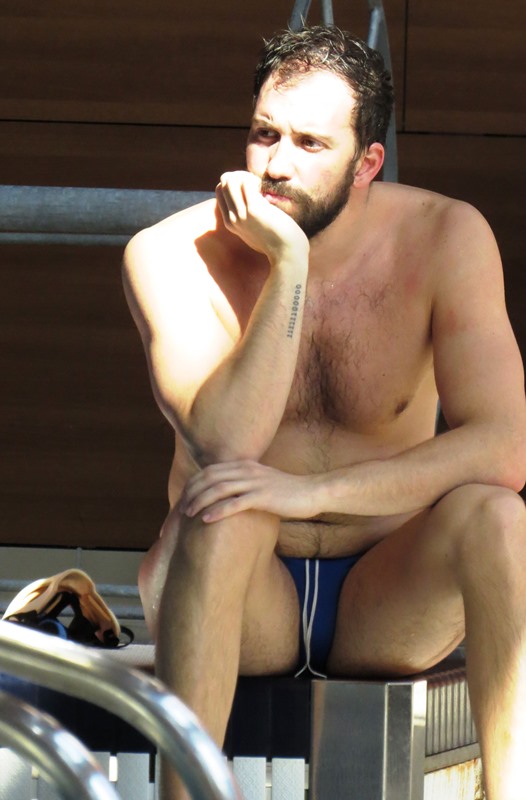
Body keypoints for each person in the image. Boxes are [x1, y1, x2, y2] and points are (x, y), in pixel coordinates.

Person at [122, 25, 526, 800]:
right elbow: (228, 443)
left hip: (387, 590)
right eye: (264, 134)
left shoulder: (445, 237)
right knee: (224, 510)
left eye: (310, 143)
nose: (277, 165)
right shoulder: (168, 255)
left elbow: (505, 447)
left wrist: (313, 493)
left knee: (499, 518)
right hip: (243, 593)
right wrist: (289, 264)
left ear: (367, 163)